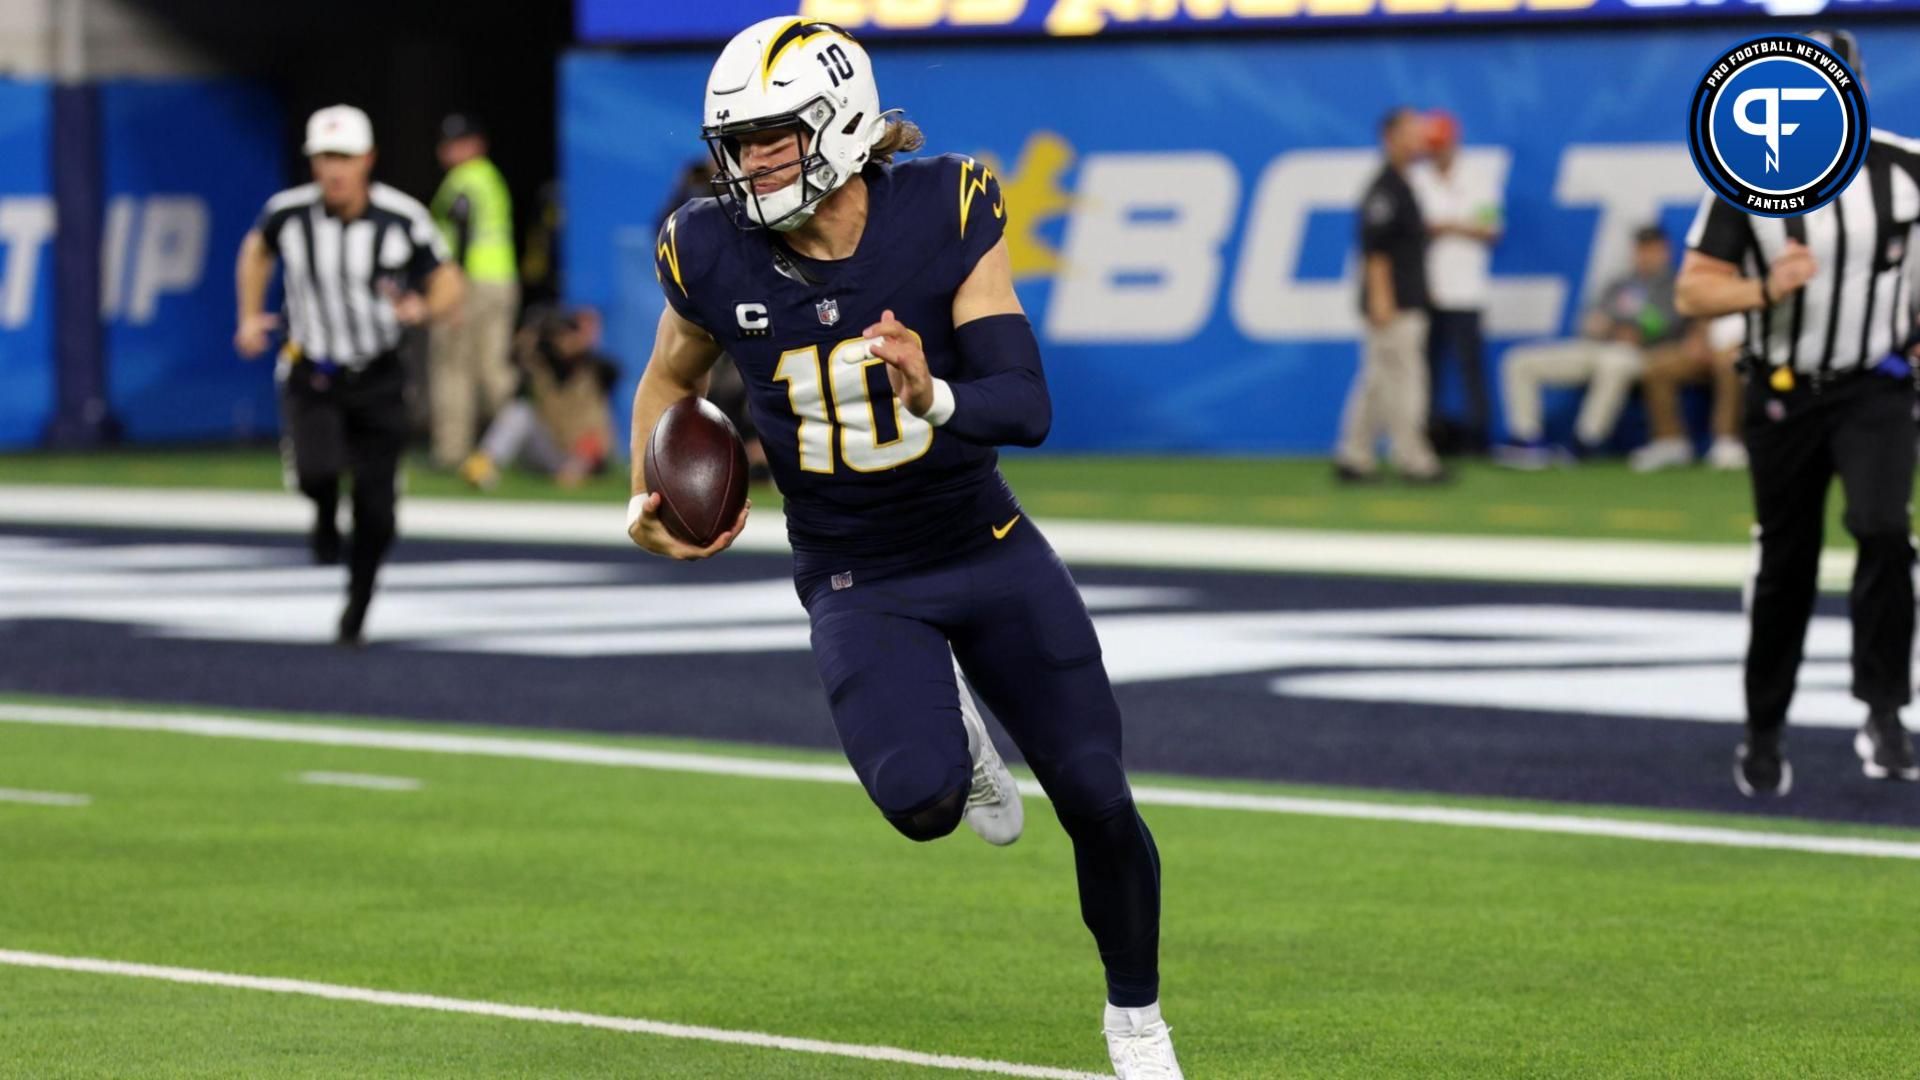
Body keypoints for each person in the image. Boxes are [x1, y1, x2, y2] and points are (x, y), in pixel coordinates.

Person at [622, 18, 1181, 1078]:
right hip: (855, 572)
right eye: (737, 144)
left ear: (835, 126)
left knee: (1099, 799)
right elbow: (670, 380)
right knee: (922, 805)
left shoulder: (945, 206)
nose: (750, 165)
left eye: (772, 139)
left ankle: (1138, 1023)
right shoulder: (708, 246)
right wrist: (649, 490)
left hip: (987, 543)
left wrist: (938, 392)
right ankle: (955, 736)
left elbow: (1024, 406)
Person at [1676, 30, 1920, 797]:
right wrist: (1765, 288)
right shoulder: (1750, 178)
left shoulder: (1907, 169)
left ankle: (1884, 708)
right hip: (1784, 391)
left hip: (1876, 384)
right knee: (1788, 565)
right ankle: (1764, 725)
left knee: (1883, 528)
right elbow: (1693, 291)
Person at [233, 104, 463, 646]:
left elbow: (447, 278)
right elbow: (255, 251)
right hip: (313, 368)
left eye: (344, 157)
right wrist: (247, 315)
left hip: (379, 374)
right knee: (315, 471)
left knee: (379, 514)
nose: (333, 169)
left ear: (368, 160)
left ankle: (357, 606)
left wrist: (425, 309)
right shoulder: (289, 213)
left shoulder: (401, 217)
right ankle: (322, 512)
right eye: (324, 157)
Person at [1495, 225, 1683, 468]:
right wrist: (1608, 326)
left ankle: (1586, 441)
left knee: (1615, 362)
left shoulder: (1673, 285)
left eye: (1652, 249)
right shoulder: (1620, 283)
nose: (1645, 256)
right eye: (1641, 249)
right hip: (1599, 346)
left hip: (1646, 354)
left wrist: (1627, 327)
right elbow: (1591, 321)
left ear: (1664, 251)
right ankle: (1527, 439)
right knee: (1519, 360)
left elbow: (1665, 325)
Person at [1334, 107, 1446, 484]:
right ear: (1391, 137)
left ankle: (1355, 455)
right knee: (1406, 381)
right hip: (1393, 304)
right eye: (1412, 131)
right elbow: (1376, 250)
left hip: (1405, 296)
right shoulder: (1385, 188)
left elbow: (1405, 247)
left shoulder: (1403, 183)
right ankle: (1413, 459)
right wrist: (1382, 299)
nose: (1420, 139)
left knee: (1378, 382)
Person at [428, 113, 519, 469]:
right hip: (500, 280)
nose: (452, 149)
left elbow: (462, 228)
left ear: (477, 144)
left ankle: (452, 451)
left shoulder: (463, 180)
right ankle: (515, 446)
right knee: (494, 369)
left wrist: (453, 290)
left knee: (453, 367)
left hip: (468, 281)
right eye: (448, 142)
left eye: (460, 141)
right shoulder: (490, 178)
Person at [1408, 109, 1501, 456]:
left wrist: (1447, 226)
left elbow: (1491, 229)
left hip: (1466, 291)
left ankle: (1479, 437)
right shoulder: (1417, 179)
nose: (1436, 152)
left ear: (1453, 142)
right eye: (1431, 146)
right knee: (1425, 368)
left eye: (1441, 145)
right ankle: (1426, 436)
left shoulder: (1478, 178)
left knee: (1469, 366)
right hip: (1426, 290)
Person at [462, 306, 617, 490]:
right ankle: (483, 465)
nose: (563, 341)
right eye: (559, 335)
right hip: (548, 448)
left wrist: (582, 343)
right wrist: (534, 332)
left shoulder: (596, 369)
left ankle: (575, 472)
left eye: (567, 334)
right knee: (520, 412)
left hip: (581, 452)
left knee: (593, 438)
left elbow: (613, 371)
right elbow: (514, 356)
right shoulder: (542, 365)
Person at [1628, 313, 1748, 472]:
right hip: (1710, 346)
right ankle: (1670, 442)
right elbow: (1700, 309)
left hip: (1746, 347)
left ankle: (1727, 442)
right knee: (1656, 368)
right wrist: (1699, 339)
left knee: (1728, 364)